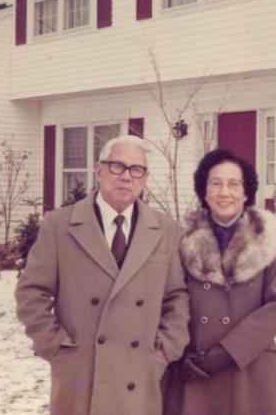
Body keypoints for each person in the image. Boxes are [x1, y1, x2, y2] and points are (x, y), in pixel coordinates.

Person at [15, 135, 189, 415]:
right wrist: (55, 346)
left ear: (144, 178)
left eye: (136, 169)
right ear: (99, 170)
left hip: (140, 373)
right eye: (117, 166)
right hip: (81, 375)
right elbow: (31, 292)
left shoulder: (167, 230)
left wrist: (165, 350)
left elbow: (177, 297)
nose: (126, 177)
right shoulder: (59, 226)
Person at [166, 148, 276, 415]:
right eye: (216, 183)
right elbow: (172, 299)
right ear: (204, 191)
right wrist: (181, 352)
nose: (224, 192)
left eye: (234, 184)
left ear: (246, 193)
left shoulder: (268, 239)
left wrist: (228, 353)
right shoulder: (180, 240)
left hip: (250, 366)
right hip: (195, 366)